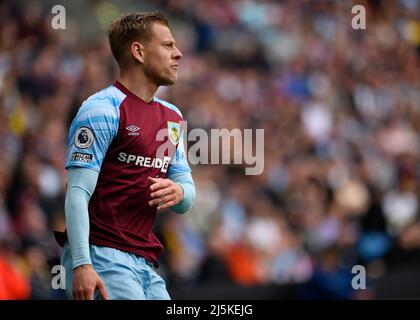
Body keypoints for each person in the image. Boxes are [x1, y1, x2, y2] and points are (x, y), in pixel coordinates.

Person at [54, 11, 195, 300]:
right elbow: (77, 192)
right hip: (100, 255)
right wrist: (82, 264)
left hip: (144, 261)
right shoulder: (102, 109)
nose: (178, 53)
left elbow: (187, 194)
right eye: (168, 45)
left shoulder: (172, 117)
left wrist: (178, 191)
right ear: (138, 52)